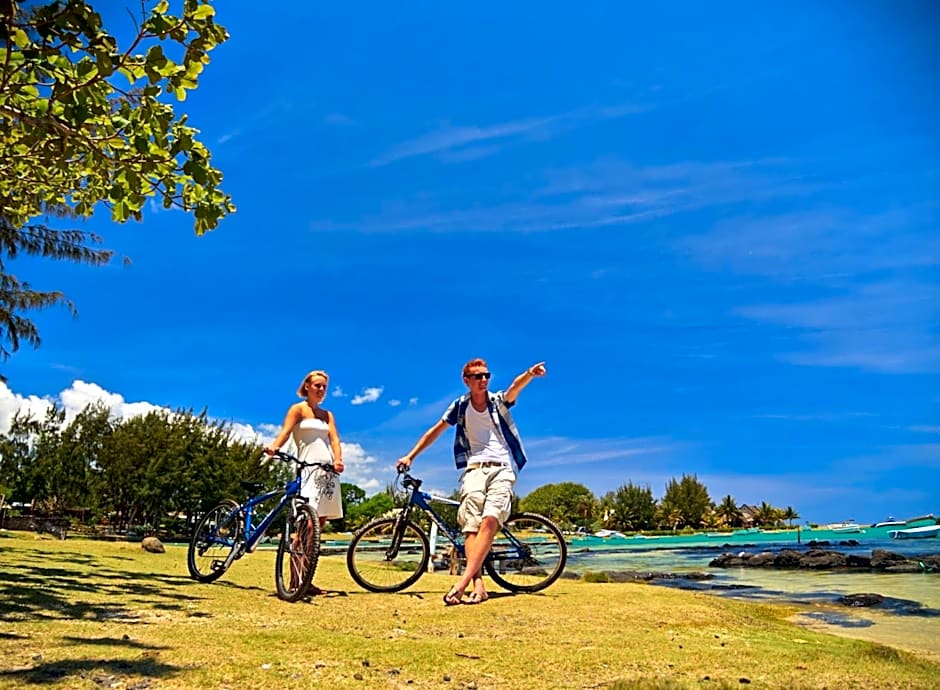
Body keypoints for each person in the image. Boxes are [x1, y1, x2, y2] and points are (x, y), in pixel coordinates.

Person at [396, 358, 546, 605]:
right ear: (466, 380)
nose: (484, 380)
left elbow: (515, 388)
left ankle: (462, 583)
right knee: (470, 525)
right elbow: (435, 430)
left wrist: (530, 373)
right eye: (478, 376)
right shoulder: (460, 406)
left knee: (490, 519)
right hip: (474, 468)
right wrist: (410, 455)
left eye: (486, 375)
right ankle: (478, 585)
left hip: (502, 468)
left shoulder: (497, 402)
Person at [265, 370, 345, 532]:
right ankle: (297, 555)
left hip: (327, 467)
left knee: (320, 521)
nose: (321, 389)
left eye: (324, 387)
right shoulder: (298, 409)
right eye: (317, 385)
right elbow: (285, 432)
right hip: (307, 466)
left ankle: (308, 557)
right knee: (308, 518)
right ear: (307, 386)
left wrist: (338, 459)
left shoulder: (327, 415)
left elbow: (334, 439)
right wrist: (275, 447)